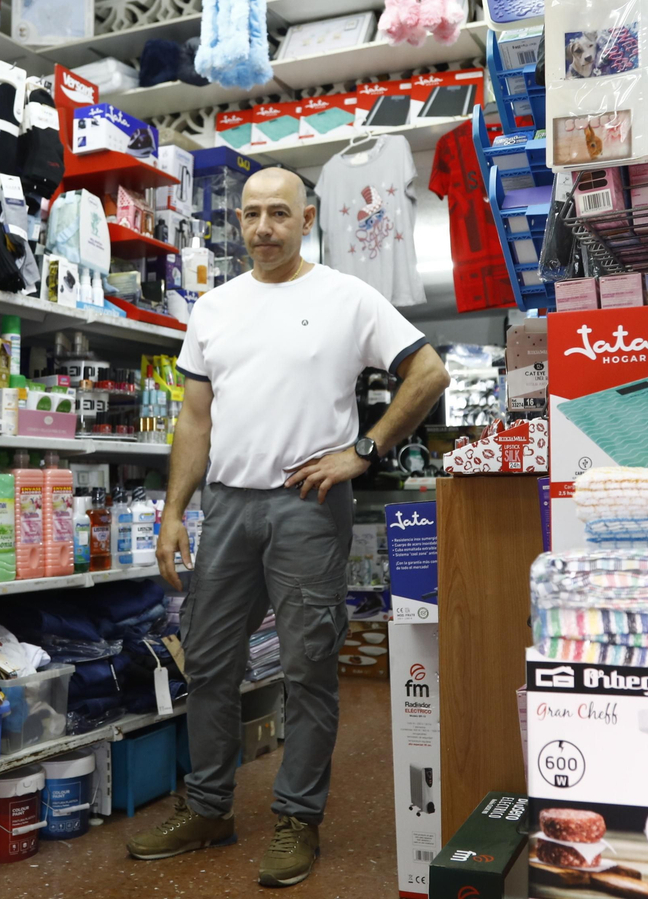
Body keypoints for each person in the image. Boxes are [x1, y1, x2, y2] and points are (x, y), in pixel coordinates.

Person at [126, 166, 450, 887]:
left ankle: (297, 819)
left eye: (279, 214)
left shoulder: (347, 297)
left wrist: (365, 451)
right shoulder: (213, 307)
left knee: (307, 668)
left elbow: (428, 372)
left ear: (308, 220)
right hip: (229, 507)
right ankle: (209, 807)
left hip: (307, 504)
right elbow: (195, 419)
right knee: (207, 663)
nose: (263, 228)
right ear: (237, 223)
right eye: (251, 215)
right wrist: (176, 510)